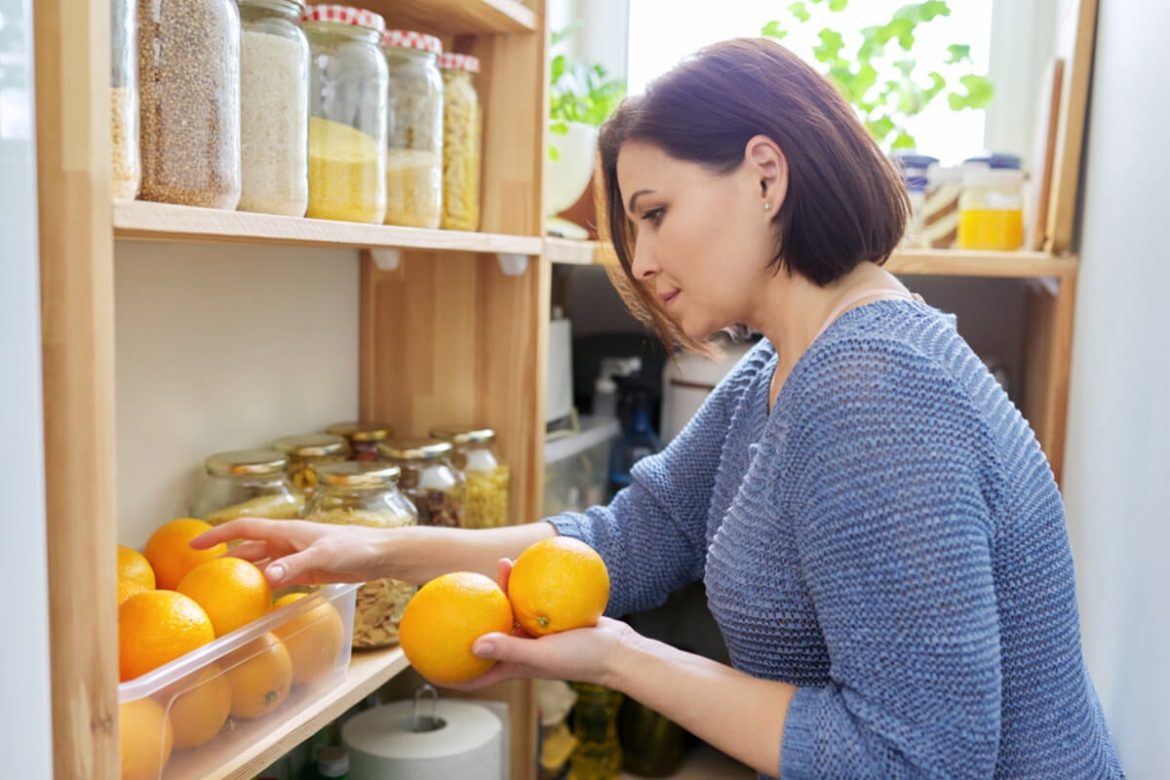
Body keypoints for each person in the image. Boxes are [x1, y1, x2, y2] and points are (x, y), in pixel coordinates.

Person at [196, 38, 1122, 778]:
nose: (639, 263)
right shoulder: (782, 369)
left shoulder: (872, 388)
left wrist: (619, 659)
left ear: (766, 175)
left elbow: (916, 761)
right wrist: (374, 551)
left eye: (654, 212)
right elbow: (631, 537)